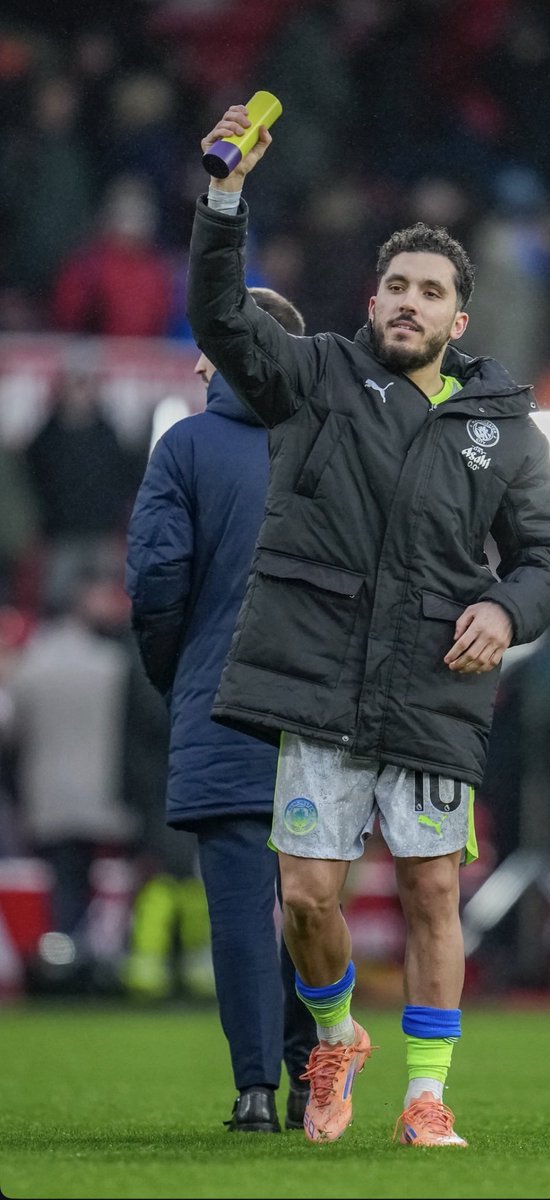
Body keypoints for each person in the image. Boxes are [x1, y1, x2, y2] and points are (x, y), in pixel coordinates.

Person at [186, 103, 550, 1149]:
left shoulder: (505, 428)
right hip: (315, 678)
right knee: (309, 901)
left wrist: (503, 605)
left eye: (431, 292)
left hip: (429, 681)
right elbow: (224, 325)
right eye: (396, 286)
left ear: (460, 319)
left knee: (430, 888)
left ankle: (424, 1096)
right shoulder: (312, 375)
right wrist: (225, 199)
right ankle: (332, 1037)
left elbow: (547, 557)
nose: (409, 303)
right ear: (372, 300)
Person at [125, 286, 316, 1133]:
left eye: (210, 343)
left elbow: (155, 583)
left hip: (222, 702)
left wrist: (182, 675)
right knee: (313, 898)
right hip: (319, 713)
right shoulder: (329, 447)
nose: (200, 360)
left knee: (240, 901)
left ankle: (255, 1094)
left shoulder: (185, 447)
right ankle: (318, 1074)